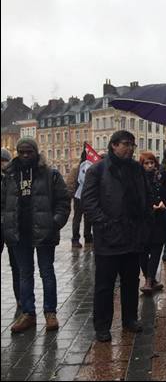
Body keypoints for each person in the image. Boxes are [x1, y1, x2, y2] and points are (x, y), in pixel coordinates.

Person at [82, 130, 152, 342]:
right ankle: (102, 325)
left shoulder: (136, 169)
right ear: (113, 145)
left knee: (131, 282)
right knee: (105, 285)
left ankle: (130, 319)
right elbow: (89, 202)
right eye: (125, 144)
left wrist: (146, 217)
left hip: (132, 235)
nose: (129, 148)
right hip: (109, 237)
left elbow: (145, 196)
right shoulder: (98, 170)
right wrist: (104, 224)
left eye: (132, 144)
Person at [2, 138, 71, 333]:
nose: (25, 156)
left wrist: (54, 222)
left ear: (36, 152)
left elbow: (63, 201)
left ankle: (50, 313)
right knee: (25, 274)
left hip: (44, 232)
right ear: (17, 152)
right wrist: (5, 224)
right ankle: (28, 313)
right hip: (19, 233)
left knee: (46, 272)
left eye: (29, 152)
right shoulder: (10, 175)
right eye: (21, 152)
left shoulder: (50, 174)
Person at [139, 152, 166, 294]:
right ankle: (150, 279)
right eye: (146, 163)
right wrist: (149, 207)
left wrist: (165, 204)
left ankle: (148, 281)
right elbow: (136, 199)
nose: (150, 166)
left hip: (159, 220)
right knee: (142, 253)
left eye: (152, 163)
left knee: (156, 251)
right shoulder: (138, 179)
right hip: (144, 221)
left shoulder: (160, 177)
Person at [1, 148, 21, 308]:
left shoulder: (12, 178)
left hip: (11, 225)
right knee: (16, 264)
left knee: (17, 264)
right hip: (8, 223)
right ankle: (20, 298)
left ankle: (20, 298)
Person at [66, 149, 93, 249]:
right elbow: (71, 183)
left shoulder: (77, 168)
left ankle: (82, 237)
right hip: (79, 196)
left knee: (83, 218)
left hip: (81, 197)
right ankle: (79, 238)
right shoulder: (79, 168)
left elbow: (69, 183)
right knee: (82, 218)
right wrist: (72, 194)